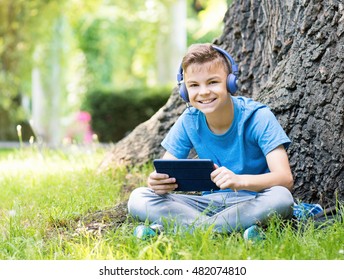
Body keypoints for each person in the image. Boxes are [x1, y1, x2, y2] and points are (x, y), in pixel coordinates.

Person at [127, 43, 294, 240]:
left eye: (213, 82)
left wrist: (240, 181)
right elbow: (165, 169)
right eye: (194, 85)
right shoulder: (188, 120)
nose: (204, 92)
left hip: (253, 200)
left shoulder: (259, 117)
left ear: (230, 83)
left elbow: (285, 179)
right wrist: (157, 182)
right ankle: (226, 229)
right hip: (205, 205)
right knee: (138, 197)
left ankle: (184, 229)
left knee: (282, 198)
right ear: (184, 91)